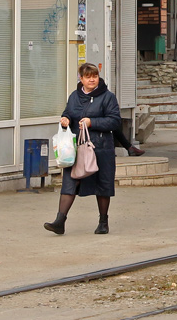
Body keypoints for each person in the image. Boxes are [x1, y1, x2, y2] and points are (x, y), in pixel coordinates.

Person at [45, 62, 122, 235]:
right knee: (70, 181)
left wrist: (92, 122)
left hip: (101, 148)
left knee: (103, 185)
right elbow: (68, 112)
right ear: (81, 79)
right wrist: (65, 119)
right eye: (88, 77)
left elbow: (115, 121)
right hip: (77, 148)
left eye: (94, 76)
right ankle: (60, 221)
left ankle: (103, 222)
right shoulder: (74, 96)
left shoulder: (108, 97)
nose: (92, 80)